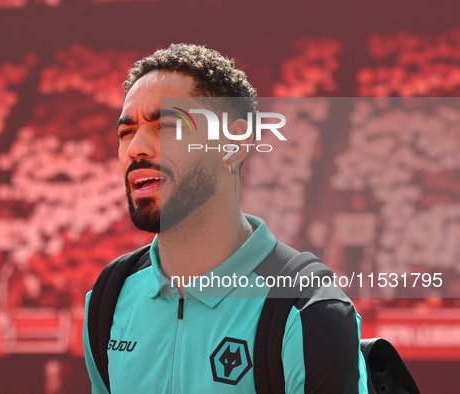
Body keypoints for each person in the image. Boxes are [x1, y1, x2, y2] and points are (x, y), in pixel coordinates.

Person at [83, 43, 368, 393]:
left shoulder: (309, 312)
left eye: (165, 126)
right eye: (126, 132)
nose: (135, 148)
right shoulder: (107, 298)